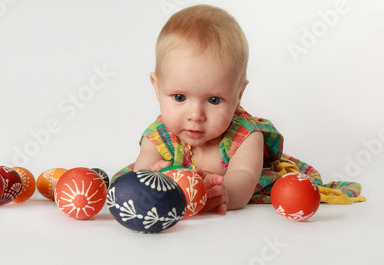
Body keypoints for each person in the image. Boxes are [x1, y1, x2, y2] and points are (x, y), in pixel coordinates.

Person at [114, 5, 365, 214]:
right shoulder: (159, 136)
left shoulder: (245, 136)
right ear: (157, 88)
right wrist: (150, 177)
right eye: (179, 97)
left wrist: (226, 194)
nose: (195, 115)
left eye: (214, 100)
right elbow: (141, 171)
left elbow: (244, 179)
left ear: (238, 95)